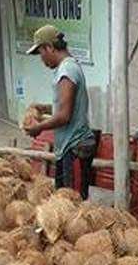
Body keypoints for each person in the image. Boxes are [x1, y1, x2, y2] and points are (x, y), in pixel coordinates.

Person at [24, 24, 97, 199]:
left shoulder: (67, 69)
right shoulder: (66, 68)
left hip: (74, 146)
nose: (41, 59)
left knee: (71, 203)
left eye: (41, 53)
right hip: (70, 146)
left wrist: (39, 127)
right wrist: (45, 108)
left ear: (49, 47)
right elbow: (66, 105)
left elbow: (64, 116)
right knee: (65, 200)